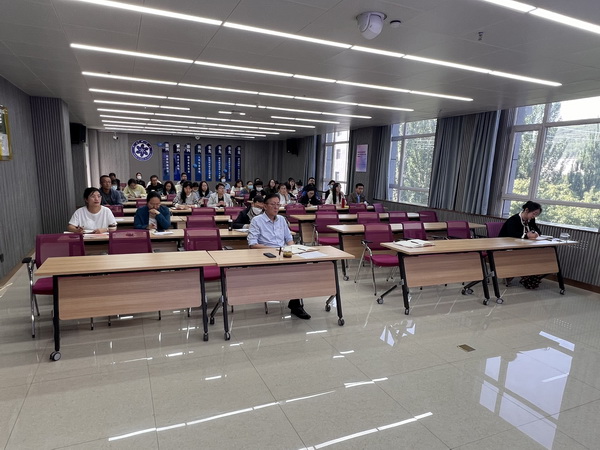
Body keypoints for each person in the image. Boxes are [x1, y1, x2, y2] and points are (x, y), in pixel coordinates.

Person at [248, 193, 310, 319]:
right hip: (266, 255)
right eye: (273, 204)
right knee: (291, 271)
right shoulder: (257, 221)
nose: (276, 207)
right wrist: (275, 250)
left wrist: (294, 250)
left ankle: (295, 302)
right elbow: (253, 244)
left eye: (278, 204)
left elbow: (289, 239)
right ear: (265, 206)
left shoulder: (282, 219)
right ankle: (295, 303)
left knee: (301, 266)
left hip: (283, 254)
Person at [499, 200, 544, 289]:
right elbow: (512, 234)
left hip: (522, 245)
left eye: (536, 215)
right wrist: (527, 235)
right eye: (534, 213)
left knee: (535, 254)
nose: (534, 216)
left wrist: (536, 234)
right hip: (506, 246)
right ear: (526, 210)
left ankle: (528, 275)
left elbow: (537, 230)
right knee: (524, 255)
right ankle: (523, 276)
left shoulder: (531, 220)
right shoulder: (513, 219)